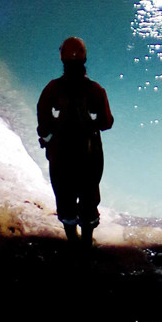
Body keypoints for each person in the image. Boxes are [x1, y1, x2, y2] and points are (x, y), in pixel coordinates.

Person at [37, 37, 114, 246]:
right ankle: (87, 242)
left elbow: (43, 125)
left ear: (62, 59)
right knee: (89, 198)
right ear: (85, 58)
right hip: (89, 157)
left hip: (61, 156)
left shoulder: (52, 89)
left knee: (65, 197)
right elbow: (107, 122)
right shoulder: (96, 90)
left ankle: (72, 239)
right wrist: (91, 122)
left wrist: (49, 138)